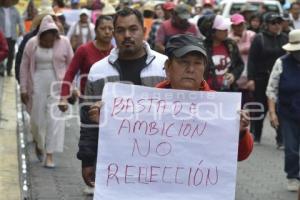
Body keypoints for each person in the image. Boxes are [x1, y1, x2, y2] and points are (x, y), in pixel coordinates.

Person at [77, 7, 167, 190]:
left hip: (158, 162)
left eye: (133, 29)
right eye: (120, 30)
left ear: (144, 31)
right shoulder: (98, 71)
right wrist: (87, 160)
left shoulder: (165, 67)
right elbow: (88, 121)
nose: (127, 35)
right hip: (114, 162)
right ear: (114, 34)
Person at [156, 34, 253, 161]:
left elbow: (241, 155)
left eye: (197, 63)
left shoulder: (220, 107)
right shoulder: (148, 104)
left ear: (204, 68)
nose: (191, 69)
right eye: (183, 62)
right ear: (168, 66)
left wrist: (239, 133)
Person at [20, 15, 74, 168]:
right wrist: (23, 88)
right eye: (46, 40)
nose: (50, 43)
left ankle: (49, 155)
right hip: (36, 84)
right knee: (37, 121)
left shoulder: (64, 42)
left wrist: (72, 87)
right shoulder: (31, 44)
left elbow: (72, 66)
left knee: (54, 120)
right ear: (41, 35)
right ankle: (38, 142)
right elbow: (24, 67)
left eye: (52, 39)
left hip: (58, 85)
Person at [266, 29, 300, 192]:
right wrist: (272, 113)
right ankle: (293, 176)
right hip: (288, 112)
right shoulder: (281, 62)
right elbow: (271, 89)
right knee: (292, 148)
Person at [247, 12, 288, 144]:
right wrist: (251, 78)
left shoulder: (285, 38)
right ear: (266, 25)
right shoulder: (260, 38)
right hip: (261, 78)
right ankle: (256, 134)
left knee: (279, 108)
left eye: (279, 22)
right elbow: (252, 60)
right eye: (273, 23)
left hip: (280, 80)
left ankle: (281, 138)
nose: (277, 25)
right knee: (260, 107)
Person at [58, 15, 114, 112]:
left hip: (111, 102)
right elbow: (70, 73)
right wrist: (64, 97)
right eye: (103, 28)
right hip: (88, 102)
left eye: (110, 28)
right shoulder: (84, 50)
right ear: (96, 30)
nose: (107, 32)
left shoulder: (116, 52)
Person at [197, 14, 244, 92]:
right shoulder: (201, 48)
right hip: (206, 93)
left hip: (228, 92)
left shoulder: (231, 45)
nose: (227, 31)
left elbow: (240, 65)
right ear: (212, 32)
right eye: (223, 29)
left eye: (226, 28)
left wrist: (233, 75)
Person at [229, 14, 255, 105]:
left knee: (249, 105)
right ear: (232, 26)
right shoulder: (228, 38)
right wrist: (232, 43)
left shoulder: (251, 35)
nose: (239, 27)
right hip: (235, 76)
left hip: (249, 75)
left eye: (241, 24)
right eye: (236, 25)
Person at [0, 0, 25, 76]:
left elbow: (20, 21)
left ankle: (9, 70)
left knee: (10, 54)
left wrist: (22, 30)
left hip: (12, 35)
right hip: (1, 36)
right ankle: (1, 69)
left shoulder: (15, 10)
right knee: (2, 53)